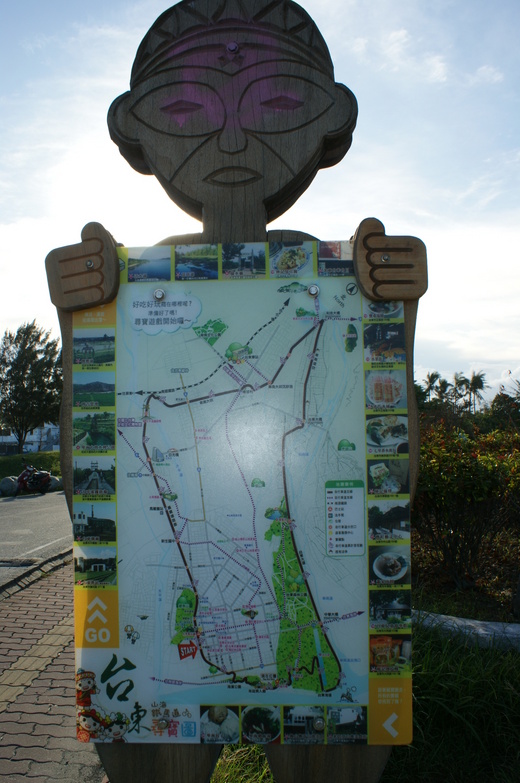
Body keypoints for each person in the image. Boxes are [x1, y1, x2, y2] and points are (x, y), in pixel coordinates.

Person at [45, 2, 426, 781]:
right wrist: (80, 322)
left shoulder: (328, 279)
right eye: (186, 109)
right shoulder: (139, 283)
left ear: (329, 117)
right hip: (194, 633)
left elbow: (390, 478)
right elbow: (91, 490)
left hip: (292, 623)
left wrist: (393, 316)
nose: (230, 139)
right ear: (134, 126)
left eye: (276, 101)